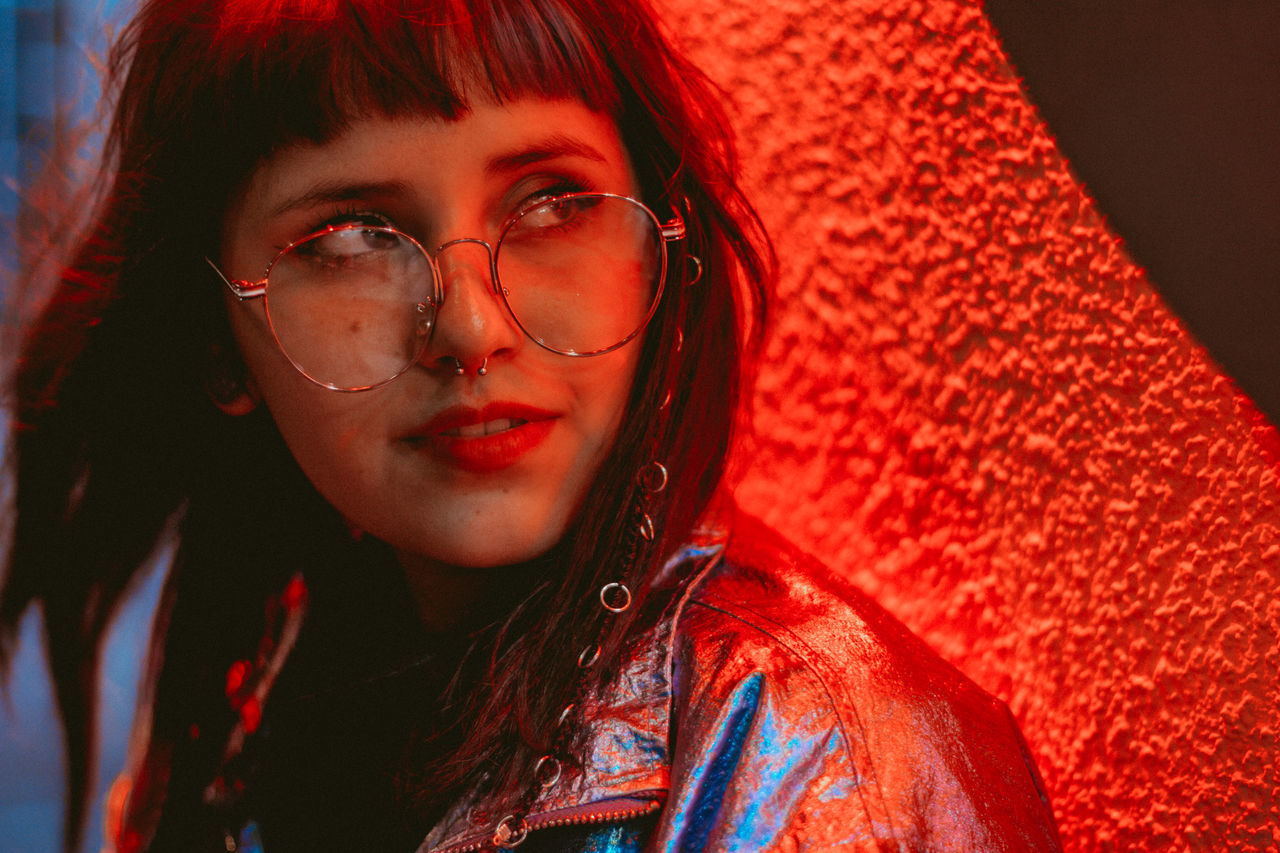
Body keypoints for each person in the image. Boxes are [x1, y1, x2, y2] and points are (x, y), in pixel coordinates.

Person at [0, 0, 1063, 850]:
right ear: (217, 342)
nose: (467, 325)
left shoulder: (822, 755)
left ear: (660, 251)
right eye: (351, 236)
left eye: (553, 202)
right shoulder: (278, 672)